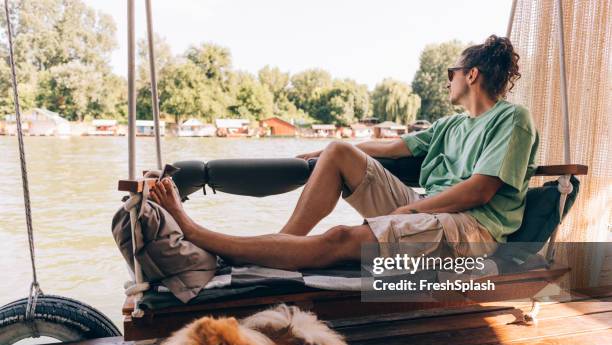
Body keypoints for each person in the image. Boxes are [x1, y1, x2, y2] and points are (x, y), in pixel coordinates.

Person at [150, 35, 539, 271]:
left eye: (450, 73)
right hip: (428, 205)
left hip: (470, 229)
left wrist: (411, 210)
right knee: (340, 151)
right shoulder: (450, 125)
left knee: (337, 239)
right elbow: (388, 146)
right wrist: (320, 153)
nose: (447, 80)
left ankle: (198, 232)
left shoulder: (512, 120)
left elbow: (479, 191)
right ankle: (278, 247)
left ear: (471, 75)